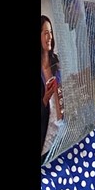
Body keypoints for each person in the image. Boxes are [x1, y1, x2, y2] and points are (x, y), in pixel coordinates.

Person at [40, 16, 64, 160]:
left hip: (61, 127)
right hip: (45, 133)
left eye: (51, 32)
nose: (49, 37)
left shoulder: (56, 61)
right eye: (45, 33)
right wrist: (44, 100)